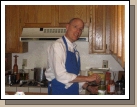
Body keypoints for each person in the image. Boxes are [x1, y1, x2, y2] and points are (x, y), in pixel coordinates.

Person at [45, 18, 101, 95]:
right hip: (59, 92)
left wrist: (88, 87)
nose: (78, 31)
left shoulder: (75, 51)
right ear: (67, 27)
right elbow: (61, 75)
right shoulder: (58, 46)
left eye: (80, 29)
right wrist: (87, 78)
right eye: (75, 27)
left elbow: (75, 77)